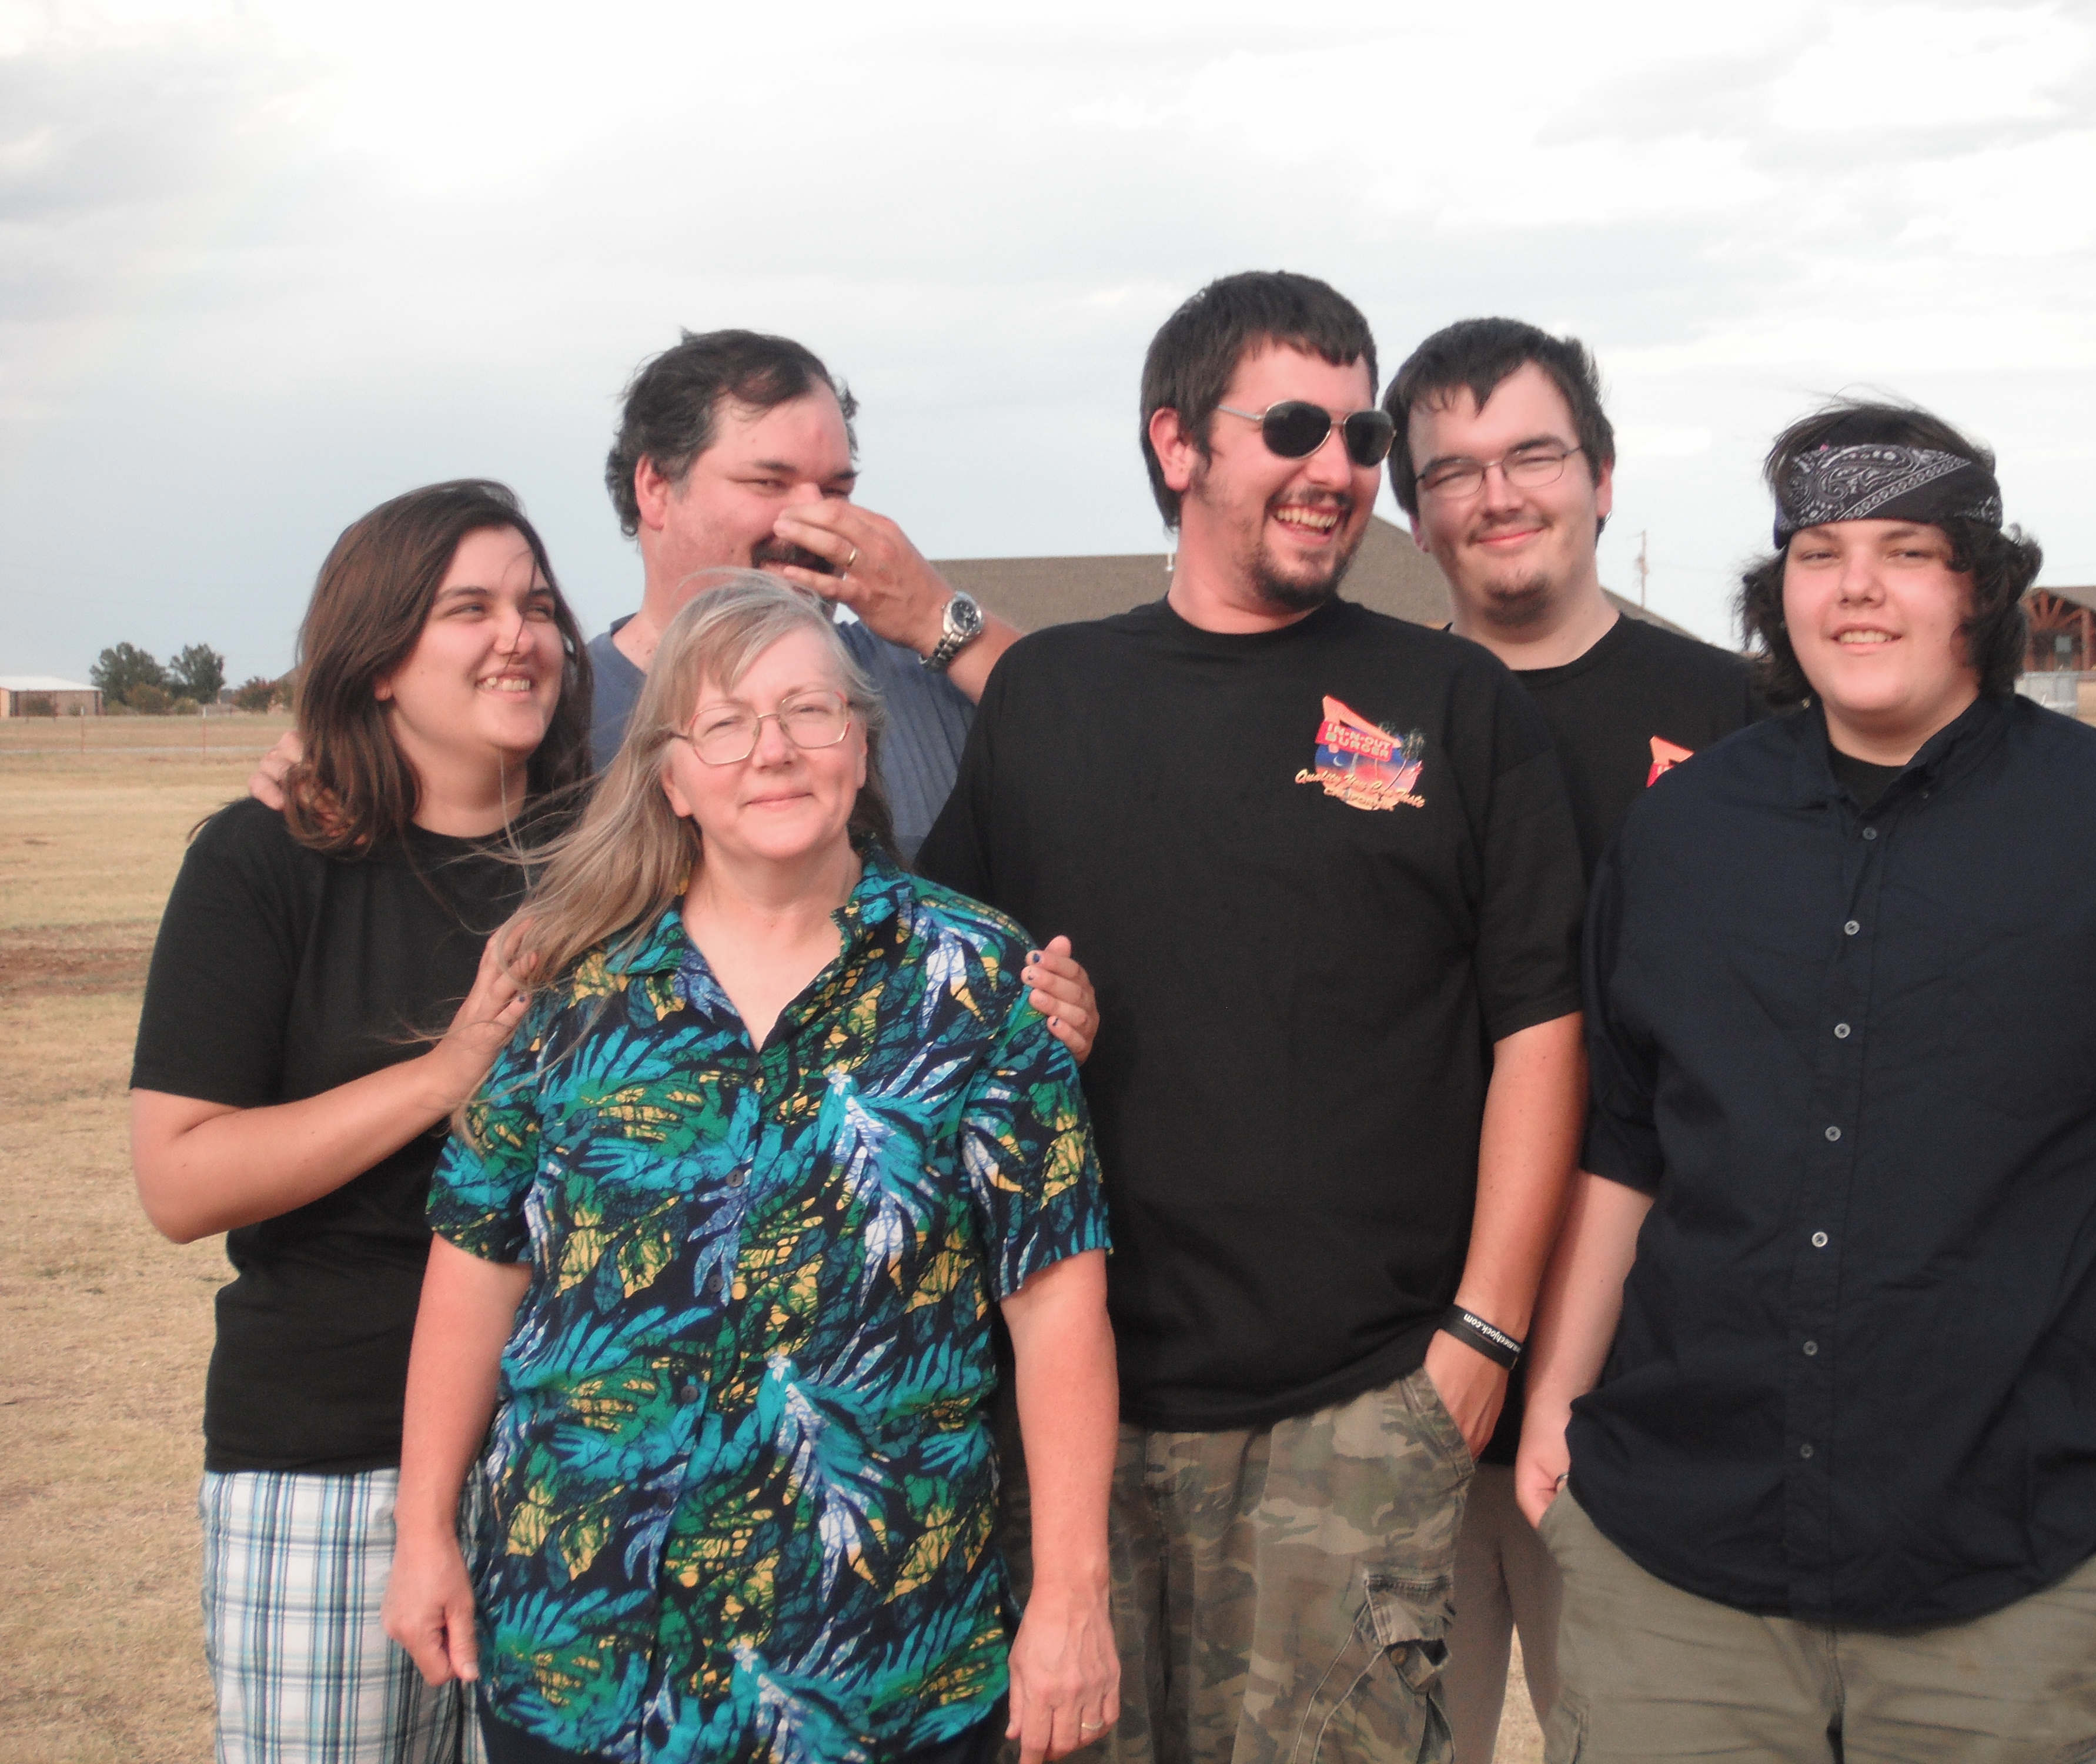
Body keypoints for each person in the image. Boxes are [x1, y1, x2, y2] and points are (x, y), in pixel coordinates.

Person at [1516, 399, 2096, 1763]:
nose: (1856, 588)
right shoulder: (1680, 833)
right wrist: (1557, 1391)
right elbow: (1629, 1143)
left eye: (1904, 551)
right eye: (1819, 553)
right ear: (1778, 590)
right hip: (1676, 1557)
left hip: (2007, 1563)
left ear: (1979, 586)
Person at [921, 272, 1586, 1762]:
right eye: (1292, 426)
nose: (1336, 467)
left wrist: (1479, 1341)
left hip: (1355, 1413)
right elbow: (931, 999)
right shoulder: (1048, 697)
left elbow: (1541, 1031)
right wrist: (1022, 1024)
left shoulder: (1454, 701)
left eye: (1360, 435)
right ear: (1175, 443)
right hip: (1074, 1406)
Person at [383, 579, 1120, 1764]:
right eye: (724, 723)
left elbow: (1058, 1307)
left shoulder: (981, 984)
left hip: (882, 1669)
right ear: (672, 777)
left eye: (808, 712)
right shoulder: (564, 991)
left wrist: (1071, 1597)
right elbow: (476, 1269)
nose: (771, 751)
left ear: (861, 745)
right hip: (584, 1660)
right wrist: (423, 1528)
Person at [129, 479, 593, 1763]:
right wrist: (444, 1077)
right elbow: (179, 1180)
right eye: (469, 609)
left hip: (583, 1462)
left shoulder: (619, 859)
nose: (519, 636)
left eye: (537, 606)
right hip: (330, 1459)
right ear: (378, 658)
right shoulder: (263, 861)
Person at [1378, 318, 1762, 1764]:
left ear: (1601, 476)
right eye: (1452, 471)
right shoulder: (1365, 718)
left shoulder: (1741, 717)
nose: (1497, 495)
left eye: (1532, 455)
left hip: (1662, 1384)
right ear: (1415, 515)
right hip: (1410, 1370)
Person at [590, 328, 1019, 850]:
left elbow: (1092, 736)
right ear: (656, 488)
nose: (817, 518)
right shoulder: (561, 713)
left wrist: (936, 618)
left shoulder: (921, 678)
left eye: (836, 490)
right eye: (769, 483)